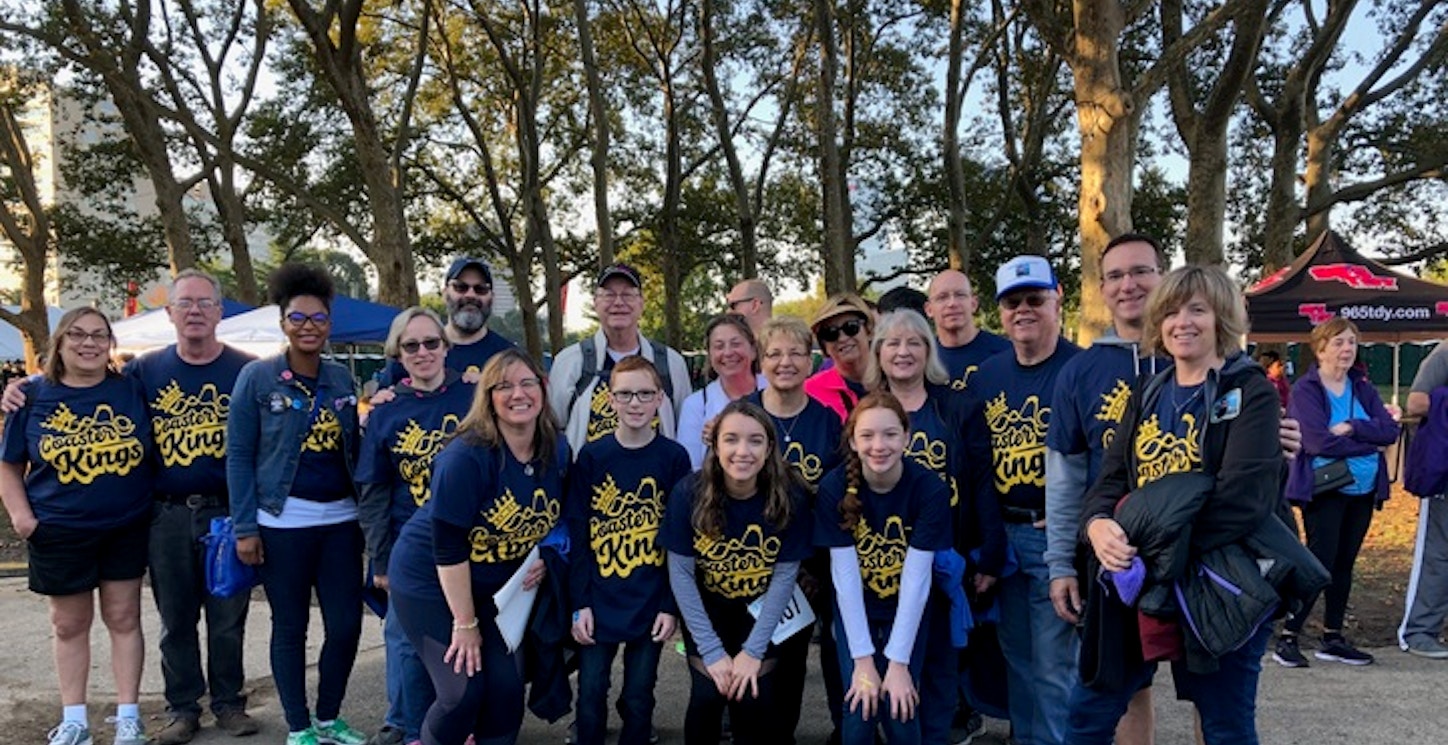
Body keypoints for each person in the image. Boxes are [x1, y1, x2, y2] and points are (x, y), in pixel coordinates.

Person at [1076, 264, 1284, 745]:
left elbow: (1242, 500)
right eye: (1170, 311)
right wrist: (1097, 525)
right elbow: (1108, 480)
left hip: (1219, 579)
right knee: (1087, 714)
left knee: (1224, 726)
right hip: (1137, 577)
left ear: (1221, 319)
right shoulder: (1146, 392)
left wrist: (1153, 550)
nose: (1182, 322)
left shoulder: (1249, 390)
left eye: (1197, 310)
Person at [388, 349, 568, 745]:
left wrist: (547, 552)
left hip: (498, 587)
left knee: (506, 691)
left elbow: (560, 515)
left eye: (527, 383)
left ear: (542, 388)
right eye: (504, 386)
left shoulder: (556, 448)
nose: (518, 394)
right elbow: (448, 548)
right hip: (432, 582)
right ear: (487, 397)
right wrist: (465, 623)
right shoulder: (467, 456)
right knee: (462, 692)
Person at [227, 264, 366, 745]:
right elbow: (240, 455)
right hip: (281, 523)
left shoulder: (341, 380)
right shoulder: (257, 378)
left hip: (342, 523)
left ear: (330, 323)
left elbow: (356, 448)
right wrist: (246, 527)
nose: (309, 326)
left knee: (346, 625)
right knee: (290, 626)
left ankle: (330, 717)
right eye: (298, 317)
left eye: (319, 318)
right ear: (282, 321)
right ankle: (299, 726)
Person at [0, 308, 153, 745]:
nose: (89, 344)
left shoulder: (131, 389)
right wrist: (22, 518)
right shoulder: (31, 395)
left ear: (110, 344)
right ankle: (75, 720)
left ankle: (128, 716)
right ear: (60, 343)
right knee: (69, 624)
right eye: (78, 335)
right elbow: (9, 465)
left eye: (99, 336)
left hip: (125, 523)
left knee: (124, 617)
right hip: (59, 528)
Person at [129, 271, 260, 744]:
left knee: (228, 616)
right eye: (185, 304)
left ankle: (229, 703)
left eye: (205, 303)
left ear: (220, 311)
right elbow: (84, 389)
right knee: (175, 619)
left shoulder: (247, 370)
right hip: (165, 514)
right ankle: (182, 709)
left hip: (228, 512)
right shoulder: (143, 371)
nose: (195, 312)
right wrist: (28, 388)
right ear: (169, 313)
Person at [1045, 234, 1166, 745]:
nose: (1129, 284)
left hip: (1199, 551)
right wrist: (1061, 565)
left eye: (1140, 271)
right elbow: (1065, 480)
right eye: (1115, 275)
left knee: (1210, 692)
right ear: (1101, 288)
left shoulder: (1203, 356)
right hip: (1115, 555)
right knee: (1125, 687)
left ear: (1163, 277)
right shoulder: (1081, 371)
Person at [962, 254, 1078, 745]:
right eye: (1013, 302)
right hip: (1006, 538)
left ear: (1058, 301)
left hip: (1056, 537)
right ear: (1000, 312)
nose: (1023, 310)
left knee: (1055, 669)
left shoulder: (1083, 369)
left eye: (1035, 298)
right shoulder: (987, 376)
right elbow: (977, 467)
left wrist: (1073, 528)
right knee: (1020, 664)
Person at [660, 400, 813, 745]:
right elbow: (681, 574)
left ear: (769, 447)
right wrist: (712, 650)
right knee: (707, 699)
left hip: (764, 614)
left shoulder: (791, 495)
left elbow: (785, 578)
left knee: (751, 699)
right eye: (731, 439)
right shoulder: (689, 492)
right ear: (715, 445)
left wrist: (753, 650)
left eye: (755, 440)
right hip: (710, 612)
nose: (742, 451)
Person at [356, 308, 476, 745]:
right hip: (410, 546)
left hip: (469, 543)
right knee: (406, 641)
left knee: (462, 635)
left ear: (445, 346)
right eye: (411, 346)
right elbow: (373, 492)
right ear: (397, 354)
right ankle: (408, 726)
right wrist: (380, 558)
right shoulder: (386, 410)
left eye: (431, 343)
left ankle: (461, 724)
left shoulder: (473, 397)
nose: (423, 352)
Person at [567, 356, 692, 745]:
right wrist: (579, 602)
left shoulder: (673, 458)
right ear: (609, 400)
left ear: (659, 399)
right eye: (625, 394)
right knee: (589, 694)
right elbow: (579, 534)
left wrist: (671, 605)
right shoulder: (592, 456)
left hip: (650, 598)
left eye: (644, 393)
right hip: (599, 597)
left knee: (639, 696)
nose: (635, 402)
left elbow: (681, 539)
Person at [815, 392, 952, 745]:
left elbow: (916, 581)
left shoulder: (928, 489)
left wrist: (898, 664)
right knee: (861, 704)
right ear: (853, 440)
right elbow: (844, 581)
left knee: (899, 705)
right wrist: (863, 661)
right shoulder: (833, 489)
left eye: (890, 434)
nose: (879, 445)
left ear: (907, 437)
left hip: (906, 609)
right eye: (868, 435)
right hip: (856, 607)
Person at [1275, 318, 1398, 667]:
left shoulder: (1361, 385)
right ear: (1321, 348)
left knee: (1345, 564)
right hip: (1326, 488)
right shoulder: (1307, 389)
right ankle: (1289, 636)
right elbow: (1315, 440)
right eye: (1339, 342)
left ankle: (1332, 637)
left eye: (1352, 343)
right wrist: (1367, 445)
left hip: (1363, 488)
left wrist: (1354, 427)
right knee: (1319, 562)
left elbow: (1388, 430)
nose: (1347, 349)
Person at [746, 316, 845, 742]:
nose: (785, 362)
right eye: (774, 354)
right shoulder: (742, 416)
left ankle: (848, 731)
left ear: (811, 362)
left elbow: (840, 495)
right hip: (758, 560)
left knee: (836, 655)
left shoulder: (829, 422)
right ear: (760, 361)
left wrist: (809, 566)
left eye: (795, 353)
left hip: (819, 562)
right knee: (777, 662)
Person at [548, 263, 692, 450]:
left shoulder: (670, 364)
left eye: (627, 295)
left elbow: (685, 431)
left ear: (641, 303)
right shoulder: (569, 362)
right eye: (609, 295)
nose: (618, 302)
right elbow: (552, 428)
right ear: (595, 303)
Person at [376, 258, 514, 387]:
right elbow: (383, 402)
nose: (471, 295)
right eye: (461, 287)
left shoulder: (509, 356)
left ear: (492, 297)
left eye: (481, 289)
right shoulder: (413, 352)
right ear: (445, 293)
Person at [1400, 339, 1448, 659]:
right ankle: (1418, 631)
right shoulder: (1445, 353)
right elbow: (1415, 403)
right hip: (1444, 474)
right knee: (1438, 553)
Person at [677, 314, 763, 469]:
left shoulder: (774, 391)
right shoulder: (695, 405)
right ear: (709, 355)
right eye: (719, 346)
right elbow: (691, 468)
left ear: (753, 350)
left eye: (736, 344)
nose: (728, 353)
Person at [925, 269, 1010, 391]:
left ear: (974, 304)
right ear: (929, 309)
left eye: (960, 295)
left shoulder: (1006, 353)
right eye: (942, 297)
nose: (952, 304)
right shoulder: (922, 360)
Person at [805, 294, 875, 422]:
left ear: (868, 331)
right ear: (824, 346)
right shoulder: (809, 392)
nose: (842, 338)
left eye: (851, 327)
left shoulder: (893, 380)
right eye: (830, 333)